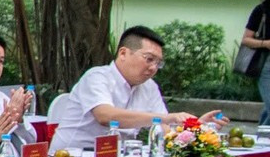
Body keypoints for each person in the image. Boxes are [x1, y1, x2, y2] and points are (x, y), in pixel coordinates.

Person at [52, 26, 219, 148]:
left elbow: (165, 130)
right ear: (123, 53)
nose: (153, 68)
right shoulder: (97, 77)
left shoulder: (149, 87)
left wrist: (194, 129)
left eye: (158, 63)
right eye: (149, 59)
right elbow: (105, 116)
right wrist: (167, 117)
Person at [240, 0, 270, 113]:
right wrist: (265, 43)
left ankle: (263, 134)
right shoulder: (261, 10)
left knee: (267, 109)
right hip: (266, 64)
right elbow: (246, 39)